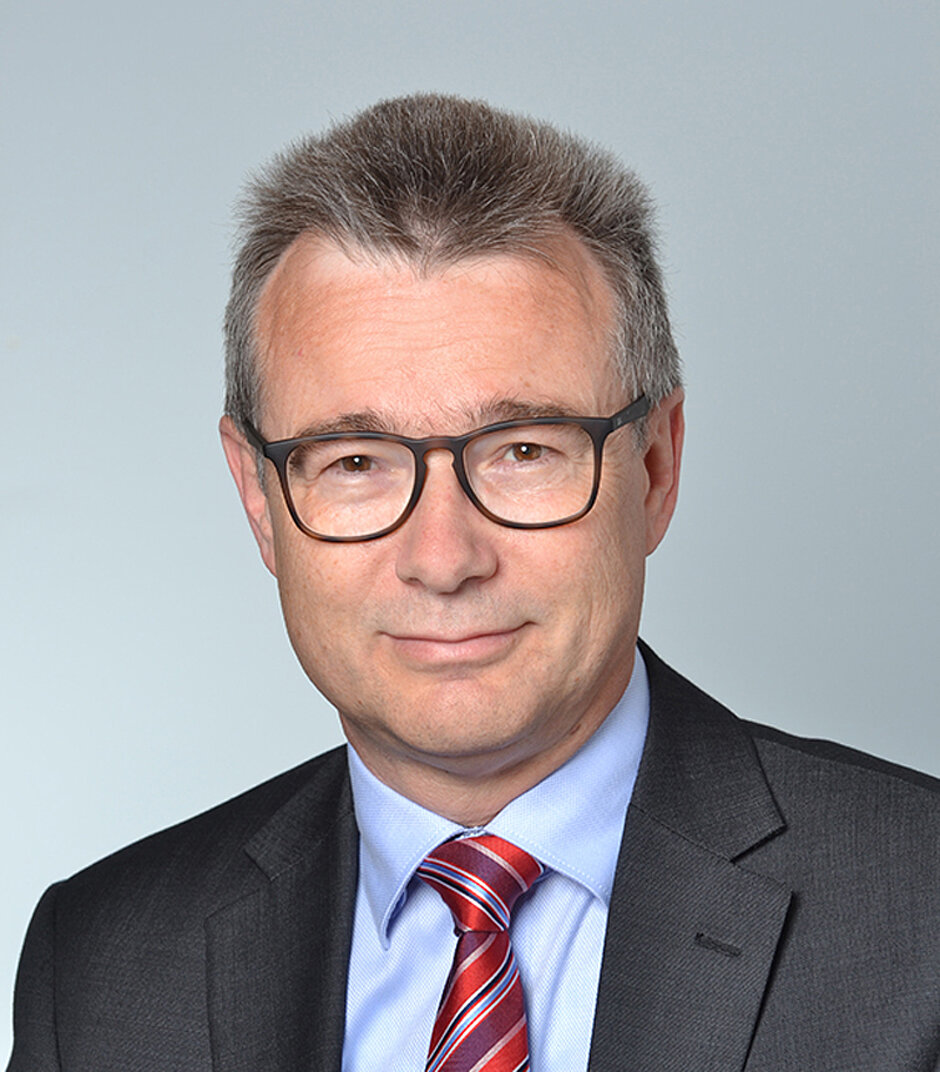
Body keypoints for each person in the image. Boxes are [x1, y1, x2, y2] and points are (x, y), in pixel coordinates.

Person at [6, 93, 938, 1072]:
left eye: (523, 449)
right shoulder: (103, 964)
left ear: (656, 468)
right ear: (258, 498)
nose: (444, 558)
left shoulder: (915, 915)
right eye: (355, 462)